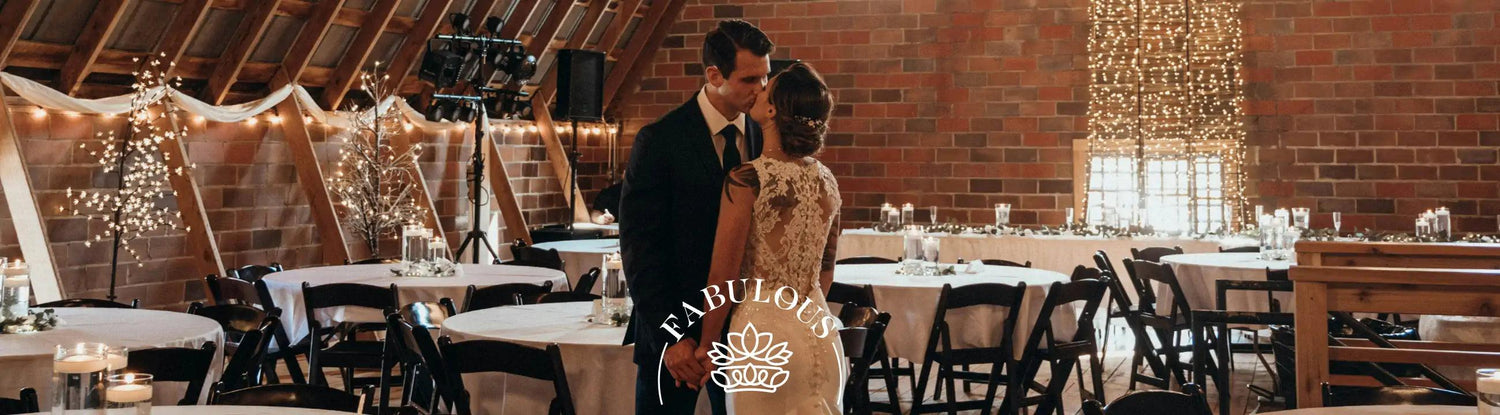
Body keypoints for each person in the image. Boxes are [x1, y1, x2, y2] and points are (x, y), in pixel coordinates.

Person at [619, 19, 772, 414]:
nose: (761, 90)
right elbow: (640, 249)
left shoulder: (766, 138)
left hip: (745, 336)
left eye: (766, 77)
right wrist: (673, 338)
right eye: (750, 79)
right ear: (715, 75)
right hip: (675, 337)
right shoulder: (660, 140)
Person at [694, 62, 844, 413]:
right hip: (822, 336)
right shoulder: (828, 182)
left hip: (763, 339)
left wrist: (706, 344)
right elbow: (826, 269)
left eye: (766, 87)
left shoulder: (747, 179)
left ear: (773, 109)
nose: (758, 90)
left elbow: (723, 277)